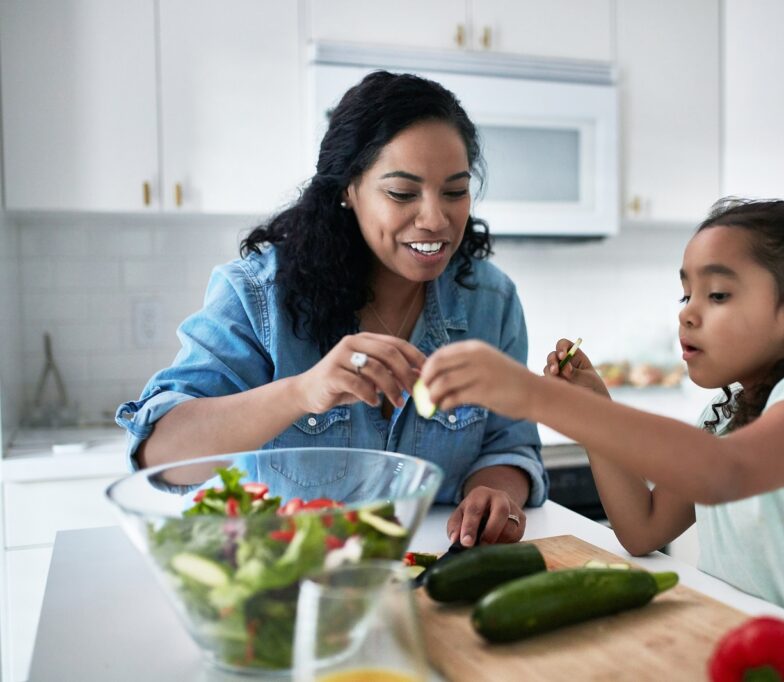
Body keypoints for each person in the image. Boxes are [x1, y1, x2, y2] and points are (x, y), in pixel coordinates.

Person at [418, 192, 784, 663]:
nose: (688, 316)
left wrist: (534, 395)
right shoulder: (723, 419)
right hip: (755, 653)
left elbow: (724, 473)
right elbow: (642, 528)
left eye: (717, 294)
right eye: (685, 295)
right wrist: (593, 407)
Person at [115, 71, 547, 548]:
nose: (435, 219)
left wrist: (493, 490)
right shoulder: (257, 295)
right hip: (289, 585)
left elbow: (509, 444)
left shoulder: (492, 301)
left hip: (439, 579)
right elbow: (160, 454)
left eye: (455, 191)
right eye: (402, 193)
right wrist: (301, 392)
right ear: (348, 189)